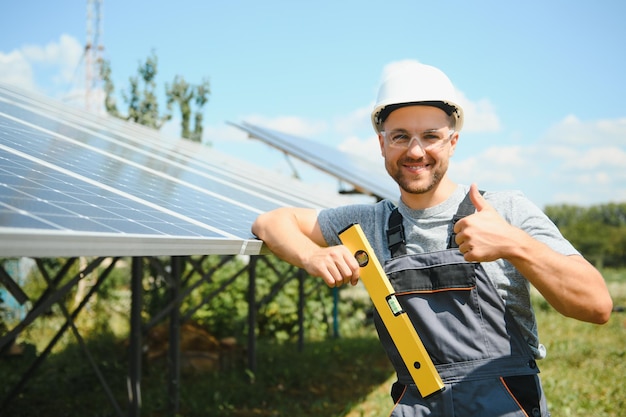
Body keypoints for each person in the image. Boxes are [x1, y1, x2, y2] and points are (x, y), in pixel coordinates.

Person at [251, 62, 613, 416]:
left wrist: (514, 244)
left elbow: (597, 306)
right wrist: (312, 257)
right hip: (418, 403)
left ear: (453, 142)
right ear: (382, 144)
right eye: (400, 136)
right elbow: (271, 222)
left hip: (506, 405)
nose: (415, 151)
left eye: (431, 136)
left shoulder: (504, 210)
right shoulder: (370, 223)